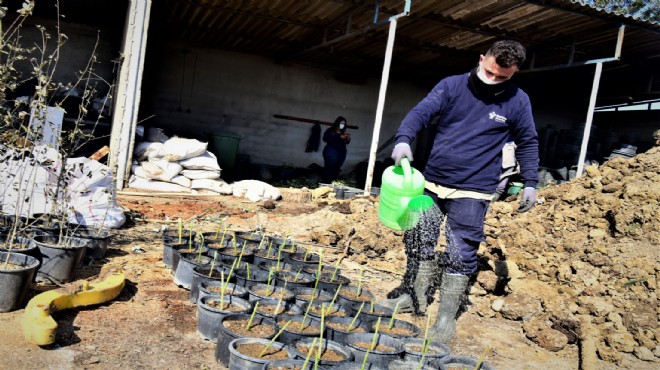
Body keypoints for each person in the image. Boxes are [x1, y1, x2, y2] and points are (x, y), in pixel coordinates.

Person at [382, 40, 540, 343]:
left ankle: (445, 319)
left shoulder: (518, 101)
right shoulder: (452, 86)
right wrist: (404, 139)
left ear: (515, 72)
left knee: (460, 252)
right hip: (431, 184)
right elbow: (421, 113)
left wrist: (531, 181)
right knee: (419, 239)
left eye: (502, 77)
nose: (493, 79)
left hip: (475, 190)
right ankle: (414, 298)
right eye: (490, 71)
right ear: (482, 58)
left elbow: (528, 141)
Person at [322, 116, 351, 183]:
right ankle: (325, 183)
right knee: (329, 168)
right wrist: (339, 136)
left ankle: (332, 183)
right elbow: (325, 139)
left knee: (337, 168)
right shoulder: (330, 130)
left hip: (341, 153)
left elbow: (346, 142)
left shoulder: (343, 132)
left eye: (344, 124)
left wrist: (348, 138)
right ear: (337, 123)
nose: (342, 125)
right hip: (331, 151)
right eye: (341, 123)